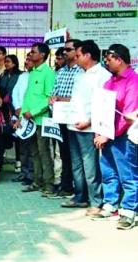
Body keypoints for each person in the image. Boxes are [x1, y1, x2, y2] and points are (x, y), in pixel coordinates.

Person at [58, 40, 109, 214]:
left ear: (88, 55)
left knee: (90, 166)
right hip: (73, 125)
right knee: (77, 164)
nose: (76, 58)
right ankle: (80, 197)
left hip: (88, 128)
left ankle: (96, 201)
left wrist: (90, 121)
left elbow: (103, 103)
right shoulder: (80, 74)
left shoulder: (102, 75)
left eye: (78, 55)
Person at [93, 44, 138, 230]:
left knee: (128, 175)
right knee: (108, 172)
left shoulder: (132, 81)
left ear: (119, 59)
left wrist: (107, 135)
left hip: (123, 135)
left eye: (109, 59)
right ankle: (110, 204)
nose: (106, 62)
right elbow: (101, 110)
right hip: (106, 135)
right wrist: (99, 132)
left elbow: (128, 115)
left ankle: (129, 211)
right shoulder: (109, 82)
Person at [21, 43, 56, 196]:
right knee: (34, 152)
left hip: (42, 120)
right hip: (29, 120)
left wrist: (33, 112)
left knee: (44, 152)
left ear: (42, 55)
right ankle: (37, 180)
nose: (30, 54)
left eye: (33, 52)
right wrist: (24, 113)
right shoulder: (33, 72)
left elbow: (49, 98)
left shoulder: (48, 73)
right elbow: (28, 96)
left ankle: (49, 185)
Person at [49, 39, 83, 199]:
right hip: (61, 119)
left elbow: (79, 98)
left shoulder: (82, 72)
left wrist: (62, 99)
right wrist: (53, 99)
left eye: (67, 49)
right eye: (63, 50)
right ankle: (66, 185)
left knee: (76, 156)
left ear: (77, 52)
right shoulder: (61, 72)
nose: (64, 52)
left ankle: (79, 188)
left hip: (77, 121)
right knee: (63, 154)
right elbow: (54, 93)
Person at [0, 54, 23, 173]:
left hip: (16, 109)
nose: (6, 64)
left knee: (17, 135)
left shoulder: (20, 75)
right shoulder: (2, 75)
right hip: (3, 108)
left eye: (8, 61)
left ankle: (18, 161)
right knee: (3, 133)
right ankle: (0, 161)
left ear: (14, 63)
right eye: (5, 62)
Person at [12, 54, 35, 186]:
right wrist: (17, 107)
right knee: (22, 147)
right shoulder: (23, 76)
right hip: (20, 115)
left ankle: (31, 174)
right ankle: (24, 172)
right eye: (26, 60)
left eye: (29, 60)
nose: (27, 62)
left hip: (31, 116)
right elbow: (15, 93)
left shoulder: (36, 76)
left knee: (32, 148)